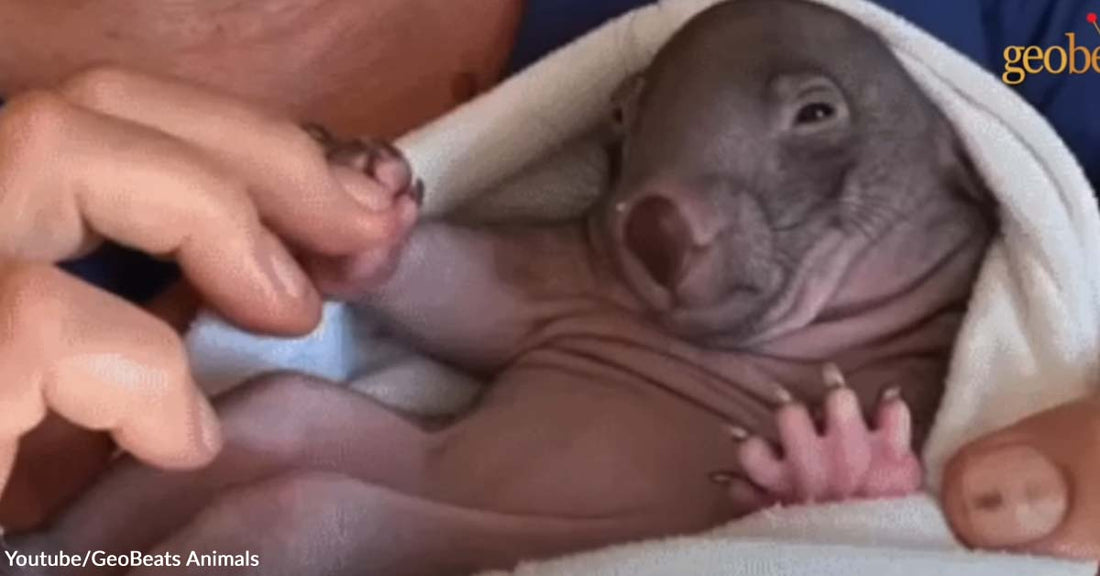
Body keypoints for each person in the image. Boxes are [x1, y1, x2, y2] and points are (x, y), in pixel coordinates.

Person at [0, 0, 1097, 562]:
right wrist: (384, 255)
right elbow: (499, 296)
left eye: (812, 119)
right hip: (443, 478)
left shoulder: (1027, 50)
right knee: (284, 414)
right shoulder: (608, 277)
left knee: (305, 523)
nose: (667, 221)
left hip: (568, 549)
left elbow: (910, 523)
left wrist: (856, 515)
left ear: (959, 164)